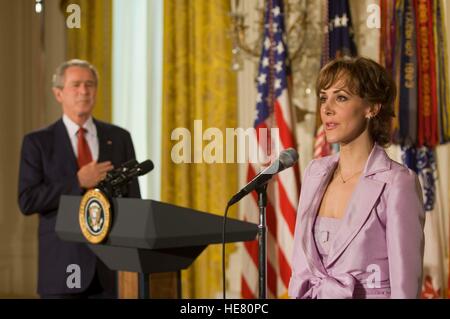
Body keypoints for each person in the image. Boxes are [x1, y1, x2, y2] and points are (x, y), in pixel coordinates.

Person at [288, 57, 425, 299]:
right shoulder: (314, 173)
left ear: (371, 107)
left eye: (340, 97)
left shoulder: (396, 183)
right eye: (323, 98)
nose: (326, 108)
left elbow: (405, 288)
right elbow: (301, 267)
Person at [18, 59, 141, 298]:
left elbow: (133, 201)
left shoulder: (119, 138)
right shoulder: (38, 142)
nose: (84, 91)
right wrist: (77, 183)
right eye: (76, 85)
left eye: (90, 84)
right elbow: (28, 200)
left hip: (111, 269)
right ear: (58, 93)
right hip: (62, 267)